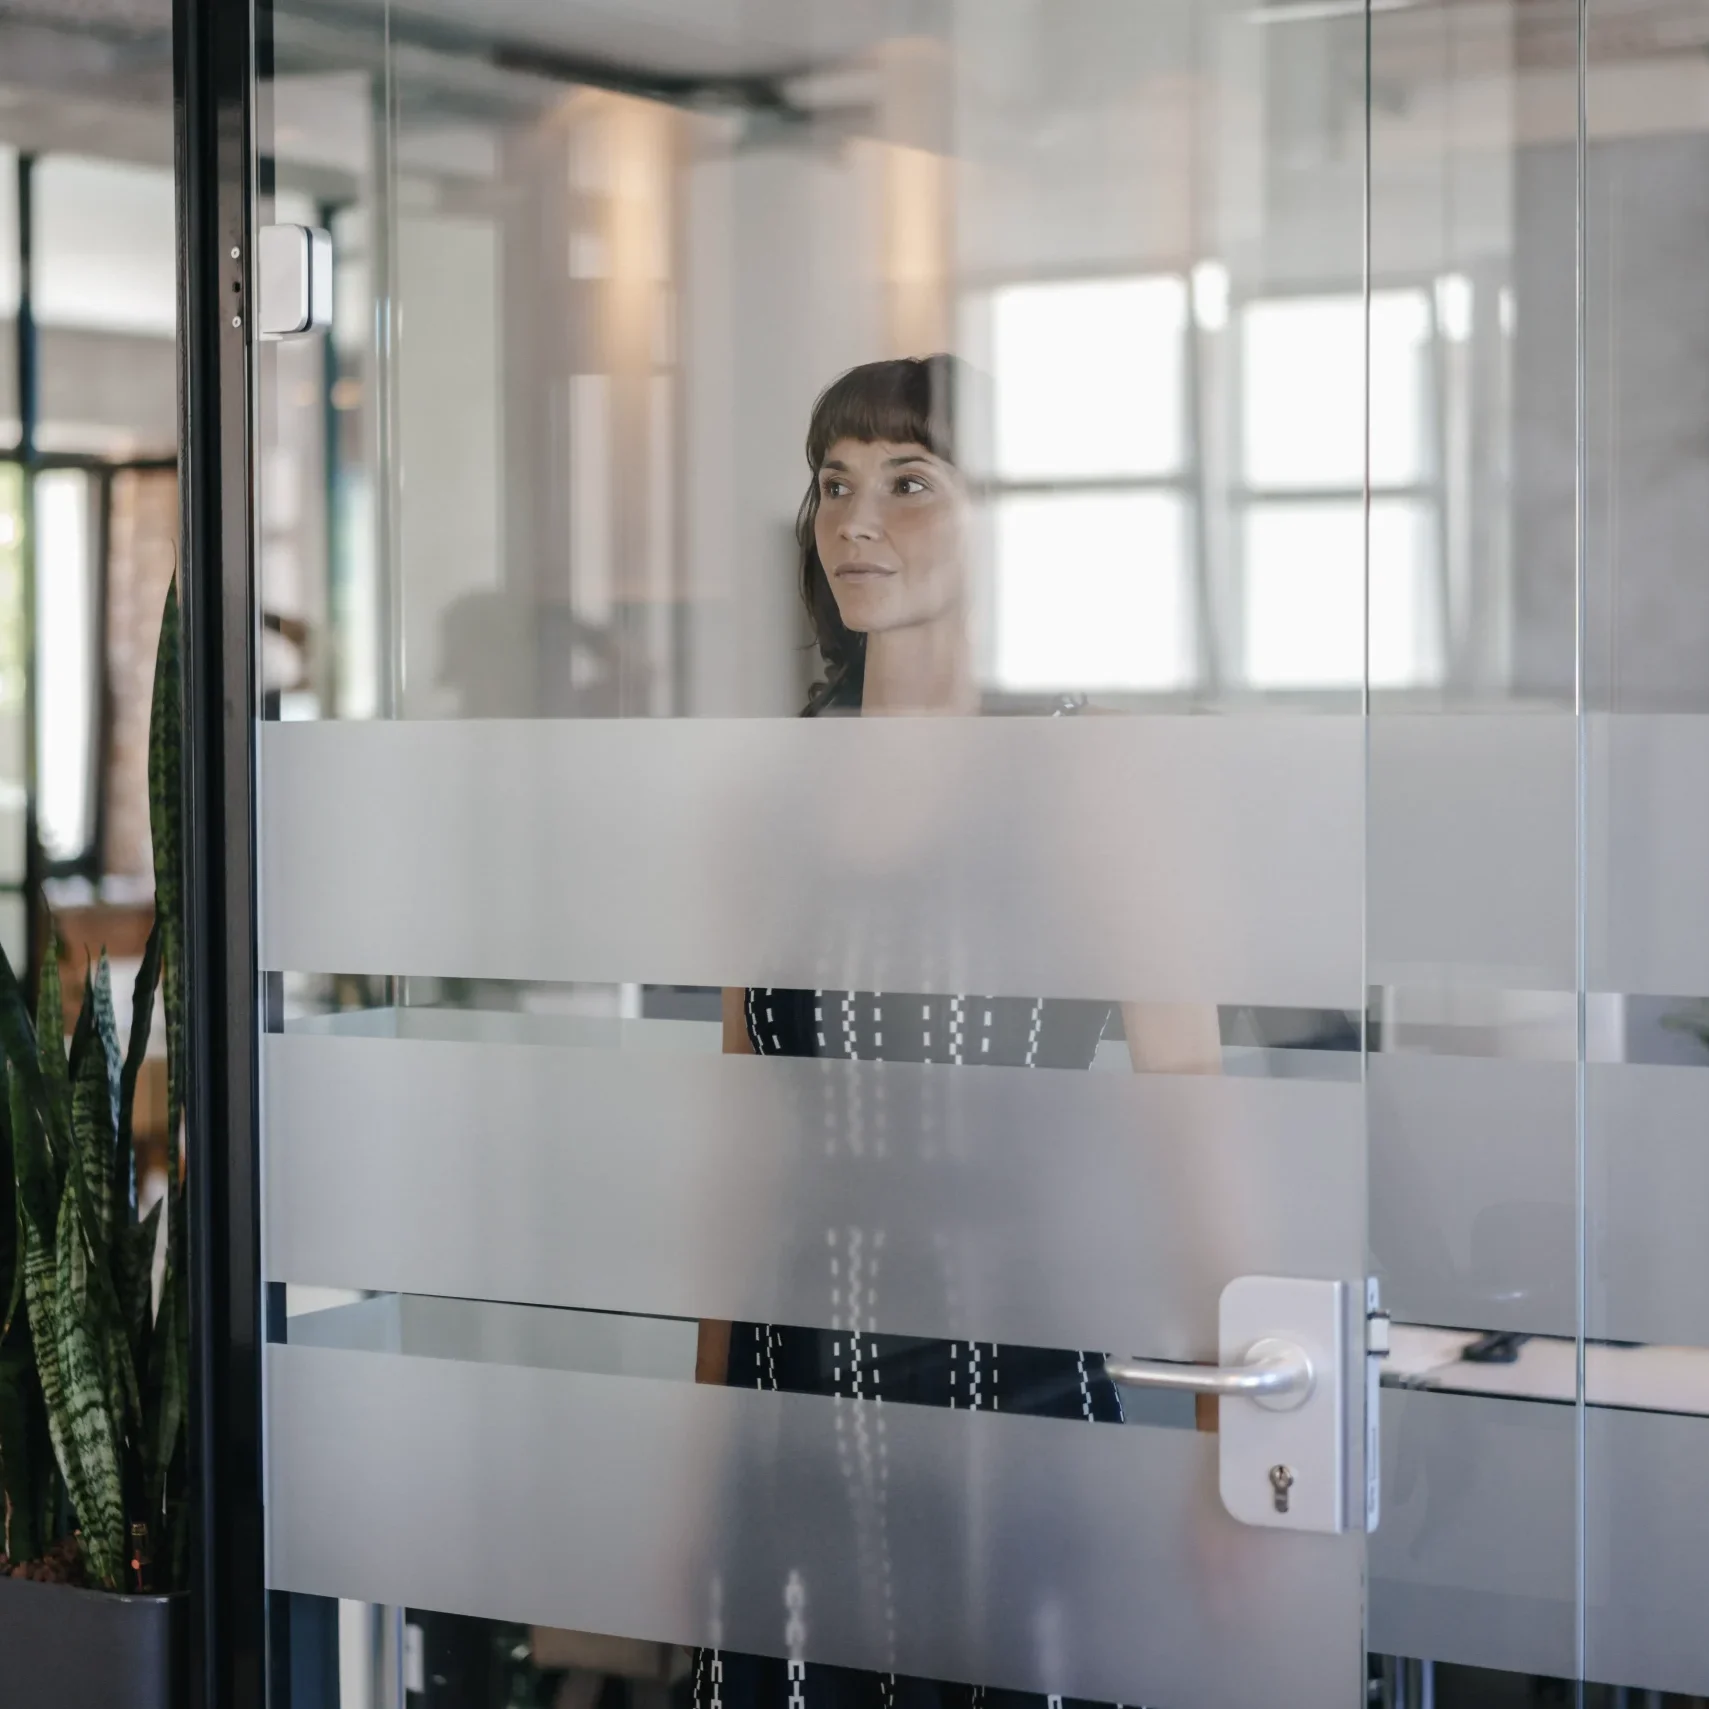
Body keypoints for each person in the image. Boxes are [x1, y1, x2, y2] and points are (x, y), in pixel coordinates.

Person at [690, 356, 1220, 1709]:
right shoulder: (782, 784)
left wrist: (1231, 1442)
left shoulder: (1080, 766)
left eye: (909, 482)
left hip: (1018, 1395)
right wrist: (696, 1451)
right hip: (789, 1403)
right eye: (834, 484)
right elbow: (744, 1152)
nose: (857, 520)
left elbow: (1193, 1110)